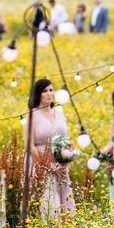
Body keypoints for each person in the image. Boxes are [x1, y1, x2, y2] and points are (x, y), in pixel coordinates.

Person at [24, 78, 75, 216]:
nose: (49, 94)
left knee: (65, 202)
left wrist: (68, 155)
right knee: (50, 203)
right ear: (38, 94)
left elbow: (65, 138)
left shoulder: (58, 111)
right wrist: (47, 166)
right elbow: (30, 145)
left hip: (60, 165)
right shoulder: (32, 114)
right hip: (41, 165)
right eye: (45, 91)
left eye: (51, 90)